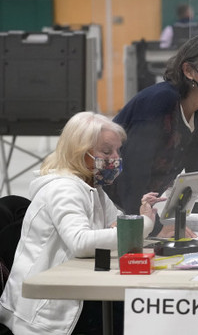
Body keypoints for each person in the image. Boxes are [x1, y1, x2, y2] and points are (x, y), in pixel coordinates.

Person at [0, 111, 161, 334]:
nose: (115, 157)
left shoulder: (94, 188)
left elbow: (118, 225)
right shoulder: (64, 188)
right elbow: (81, 242)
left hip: (73, 294)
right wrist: (141, 225)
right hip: (48, 315)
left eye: (117, 150)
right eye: (106, 151)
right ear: (79, 152)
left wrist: (140, 216)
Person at [103, 34, 198, 237]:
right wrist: (154, 229)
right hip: (106, 206)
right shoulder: (161, 100)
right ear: (189, 70)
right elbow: (133, 173)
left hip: (136, 211)